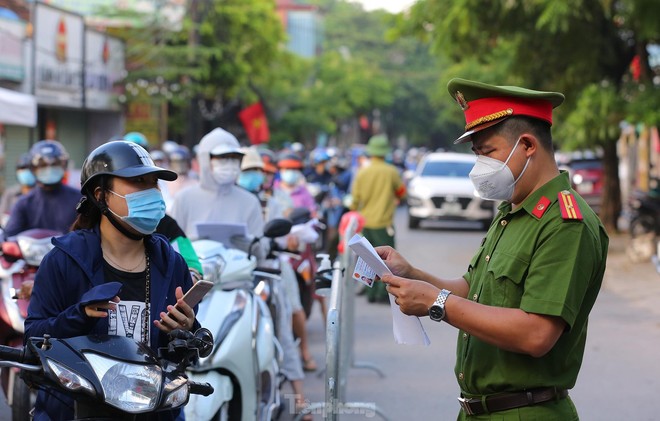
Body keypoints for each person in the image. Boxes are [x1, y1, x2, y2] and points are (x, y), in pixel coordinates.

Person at [377, 78, 609, 420]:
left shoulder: (564, 222)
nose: (480, 166)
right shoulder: (512, 211)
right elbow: (473, 289)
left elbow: (537, 334)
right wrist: (413, 274)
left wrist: (436, 303)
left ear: (527, 145)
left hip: (525, 412)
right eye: (477, 154)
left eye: (488, 153)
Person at [25, 140, 200, 420]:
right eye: (138, 181)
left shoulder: (172, 263)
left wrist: (185, 330)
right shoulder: (62, 261)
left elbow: (178, 359)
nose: (152, 193)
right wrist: (79, 315)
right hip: (73, 411)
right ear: (100, 195)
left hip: (155, 412)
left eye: (153, 183)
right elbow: (34, 338)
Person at [349, 134, 406, 303]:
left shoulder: (362, 172)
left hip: (365, 223)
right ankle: (383, 293)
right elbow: (402, 193)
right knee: (385, 260)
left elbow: (354, 201)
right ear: (385, 152)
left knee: (366, 259)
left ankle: (370, 292)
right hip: (384, 223)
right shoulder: (391, 172)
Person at [5, 140, 81, 236]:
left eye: (55, 164)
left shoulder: (79, 199)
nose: (49, 169)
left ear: (64, 165)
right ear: (33, 168)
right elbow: (9, 237)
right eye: (43, 165)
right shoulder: (24, 203)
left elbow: (90, 234)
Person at [0, 153, 36, 224]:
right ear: (17, 171)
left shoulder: (43, 193)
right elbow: (2, 216)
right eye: (22, 168)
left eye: (29, 169)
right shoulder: (10, 193)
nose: (26, 171)